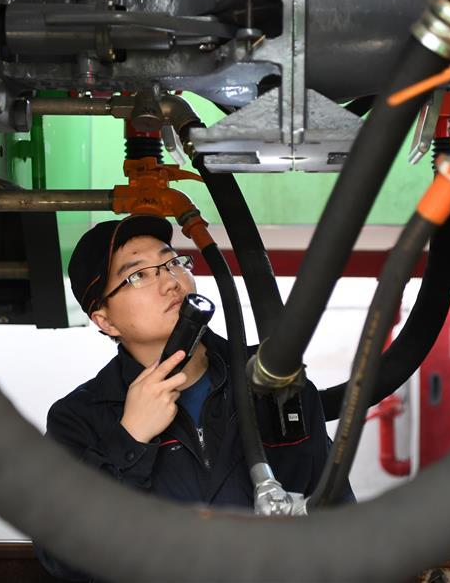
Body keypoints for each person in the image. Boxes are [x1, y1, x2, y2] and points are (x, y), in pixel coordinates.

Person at [34, 214, 352, 580]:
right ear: (105, 320)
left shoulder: (274, 381)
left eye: (171, 262)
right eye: (138, 275)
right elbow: (62, 556)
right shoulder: (79, 419)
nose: (169, 282)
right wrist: (130, 438)